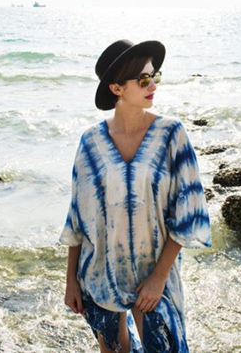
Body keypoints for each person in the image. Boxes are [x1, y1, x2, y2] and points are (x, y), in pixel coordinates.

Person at [61, 40, 211, 352]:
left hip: (154, 274)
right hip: (100, 274)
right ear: (116, 88)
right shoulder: (91, 141)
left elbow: (188, 213)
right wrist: (71, 281)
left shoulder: (172, 134)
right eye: (143, 79)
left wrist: (159, 278)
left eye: (155, 76)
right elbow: (78, 215)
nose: (152, 85)